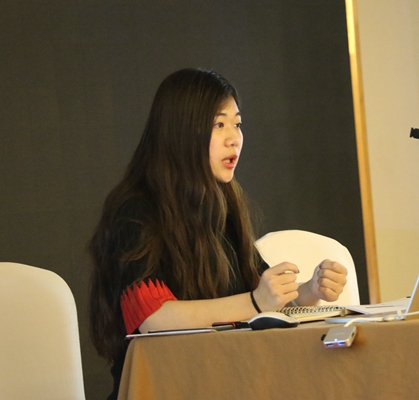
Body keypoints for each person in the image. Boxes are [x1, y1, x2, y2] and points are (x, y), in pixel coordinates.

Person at [88, 68, 348, 399]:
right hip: (166, 385)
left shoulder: (222, 202)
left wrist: (309, 290)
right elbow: (153, 317)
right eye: (218, 124)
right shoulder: (135, 209)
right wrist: (256, 302)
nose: (233, 138)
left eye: (237, 124)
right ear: (181, 131)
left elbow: (261, 296)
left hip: (227, 377)